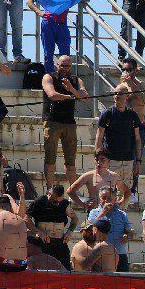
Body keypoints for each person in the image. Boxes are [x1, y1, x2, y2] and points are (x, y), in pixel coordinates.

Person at [41, 55, 88, 189]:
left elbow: (85, 96)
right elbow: (52, 95)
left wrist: (71, 89)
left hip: (69, 123)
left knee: (70, 160)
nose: (64, 69)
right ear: (57, 65)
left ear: (71, 67)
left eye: (67, 66)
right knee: (50, 158)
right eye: (62, 65)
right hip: (52, 121)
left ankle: (73, 190)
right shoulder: (49, 77)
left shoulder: (76, 80)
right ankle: (50, 188)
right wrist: (71, 96)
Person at [95, 84, 143, 193]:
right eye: (115, 93)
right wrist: (98, 157)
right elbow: (99, 137)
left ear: (127, 96)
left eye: (121, 93)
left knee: (125, 193)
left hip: (128, 160)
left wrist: (138, 161)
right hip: (111, 160)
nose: (117, 96)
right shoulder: (107, 114)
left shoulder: (132, 115)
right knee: (109, 192)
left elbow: (138, 139)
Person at [27, 185, 77, 270]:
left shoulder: (64, 204)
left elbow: (75, 219)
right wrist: (38, 232)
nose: (57, 204)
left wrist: (70, 232)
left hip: (60, 244)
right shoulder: (39, 202)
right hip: (43, 243)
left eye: (59, 202)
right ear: (49, 195)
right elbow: (26, 218)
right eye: (54, 201)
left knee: (65, 271)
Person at [67, 150, 133, 211]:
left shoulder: (114, 176)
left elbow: (127, 191)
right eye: (97, 160)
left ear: (108, 161)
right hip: (94, 212)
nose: (99, 162)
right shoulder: (88, 176)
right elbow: (70, 191)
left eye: (102, 160)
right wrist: (83, 205)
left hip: (109, 212)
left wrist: (120, 204)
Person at [88, 186, 134, 272]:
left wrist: (127, 236)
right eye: (103, 198)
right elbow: (90, 230)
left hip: (120, 254)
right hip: (100, 255)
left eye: (108, 198)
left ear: (115, 199)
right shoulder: (93, 212)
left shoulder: (122, 214)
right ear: (99, 199)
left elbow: (130, 232)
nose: (106, 201)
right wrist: (103, 213)